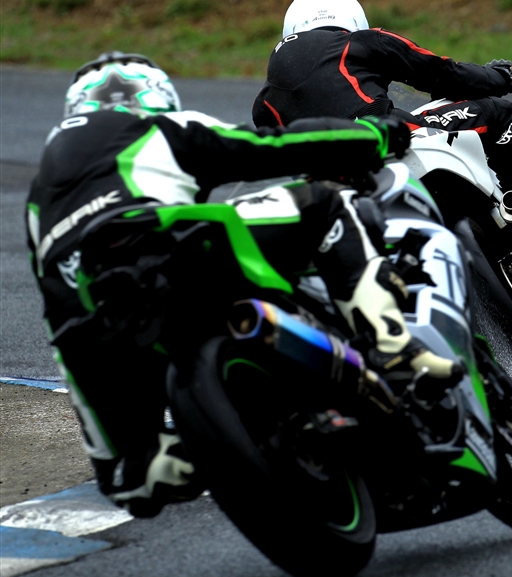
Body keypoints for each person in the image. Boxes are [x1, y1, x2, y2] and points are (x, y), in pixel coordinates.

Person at [27, 51, 460, 517]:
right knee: (324, 205)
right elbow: (274, 147)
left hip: (94, 319)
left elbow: (58, 323)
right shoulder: (159, 128)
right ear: (152, 96)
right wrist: (375, 136)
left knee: (135, 478)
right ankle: (393, 345)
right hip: (170, 244)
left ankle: (167, 461)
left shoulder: (38, 199)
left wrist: (112, 461)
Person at [252, 0, 512, 280]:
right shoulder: (363, 41)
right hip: (388, 138)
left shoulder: (263, 102)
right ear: (353, 19)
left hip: (331, 191)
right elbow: (442, 73)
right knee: (505, 115)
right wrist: (499, 77)